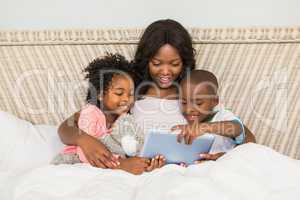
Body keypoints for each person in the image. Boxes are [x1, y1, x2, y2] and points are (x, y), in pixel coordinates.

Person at [57, 19, 255, 171]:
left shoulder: (193, 94)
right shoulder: (132, 93)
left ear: (184, 62)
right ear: (146, 61)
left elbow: (247, 138)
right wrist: (83, 139)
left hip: (184, 173)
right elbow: (68, 126)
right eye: (157, 63)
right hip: (140, 170)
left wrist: (226, 157)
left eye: (174, 64)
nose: (166, 72)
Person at [53, 53, 161, 175]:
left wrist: (147, 161)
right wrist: (84, 139)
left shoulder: (125, 121)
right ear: (99, 94)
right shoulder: (92, 113)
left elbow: (133, 146)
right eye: (119, 93)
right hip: (76, 162)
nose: (126, 99)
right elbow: (64, 128)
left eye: (130, 94)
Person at [172, 70, 246, 163]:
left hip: (221, 168)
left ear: (214, 101)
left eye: (198, 103)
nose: (188, 110)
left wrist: (205, 127)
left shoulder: (222, 116)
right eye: (183, 103)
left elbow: (238, 128)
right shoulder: (182, 120)